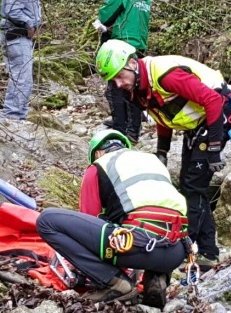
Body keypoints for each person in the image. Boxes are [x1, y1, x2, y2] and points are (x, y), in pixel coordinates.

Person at [93, 40, 231, 271]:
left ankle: (189, 250)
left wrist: (215, 146)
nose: (118, 84)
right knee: (190, 187)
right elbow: (162, 114)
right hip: (196, 125)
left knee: (193, 187)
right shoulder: (137, 86)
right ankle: (207, 252)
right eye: (112, 80)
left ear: (133, 63)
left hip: (217, 115)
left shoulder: (166, 76)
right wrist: (162, 152)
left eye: (119, 76)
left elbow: (213, 100)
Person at [36, 129, 188, 306]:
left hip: (134, 245)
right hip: (176, 252)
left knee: (47, 220)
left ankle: (115, 282)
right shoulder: (153, 161)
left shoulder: (99, 165)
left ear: (98, 152)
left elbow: (88, 219)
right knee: (159, 223)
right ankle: (156, 278)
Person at [93, 0, 151, 143]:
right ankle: (133, 128)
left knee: (115, 89)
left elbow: (104, 16)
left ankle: (120, 128)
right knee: (133, 88)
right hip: (139, 46)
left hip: (121, 46)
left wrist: (102, 27)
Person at [0, 0, 53, 120]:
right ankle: (12, 116)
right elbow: (11, 10)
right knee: (21, 78)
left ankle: (17, 114)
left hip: (20, 36)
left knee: (23, 77)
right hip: (16, 35)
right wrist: (29, 24)